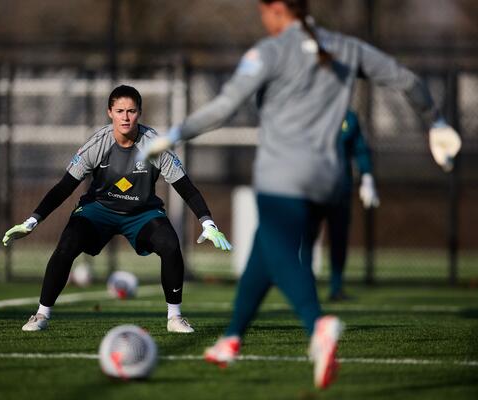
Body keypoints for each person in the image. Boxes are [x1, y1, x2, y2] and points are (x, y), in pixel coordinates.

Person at [141, 0, 461, 389]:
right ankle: (231, 339)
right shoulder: (347, 47)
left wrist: (173, 135)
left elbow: (224, 108)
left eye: (263, 9)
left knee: (277, 254)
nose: (262, 17)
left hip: (282, 176)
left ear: (277, 9)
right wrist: (437, 122)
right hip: (329, 180)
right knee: (264, 249)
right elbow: (408, 80)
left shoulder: (270, 51)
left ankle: (317, 324)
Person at [2, 85, 232, 334]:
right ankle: (41, 314)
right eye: (120, 111)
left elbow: (186, 188)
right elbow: (64, 187)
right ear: (110, 112)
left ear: (139, 113)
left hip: (142, 213)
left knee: (170, 244)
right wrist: (32, 221)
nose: (125, 117)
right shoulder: (97, 144)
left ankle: (175, 318)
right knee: (67, 244)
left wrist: (207, 222)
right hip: (98, 210)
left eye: (131, 111)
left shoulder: (155, 145)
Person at [301, 110, 379, 301]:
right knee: (307, 239)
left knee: (339, 239)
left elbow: (360, 148)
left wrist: (367, 176)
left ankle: (336, 288)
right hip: (312, 188)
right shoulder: (306, 110)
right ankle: (305, 287)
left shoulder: (349, 117)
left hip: (340, 189)